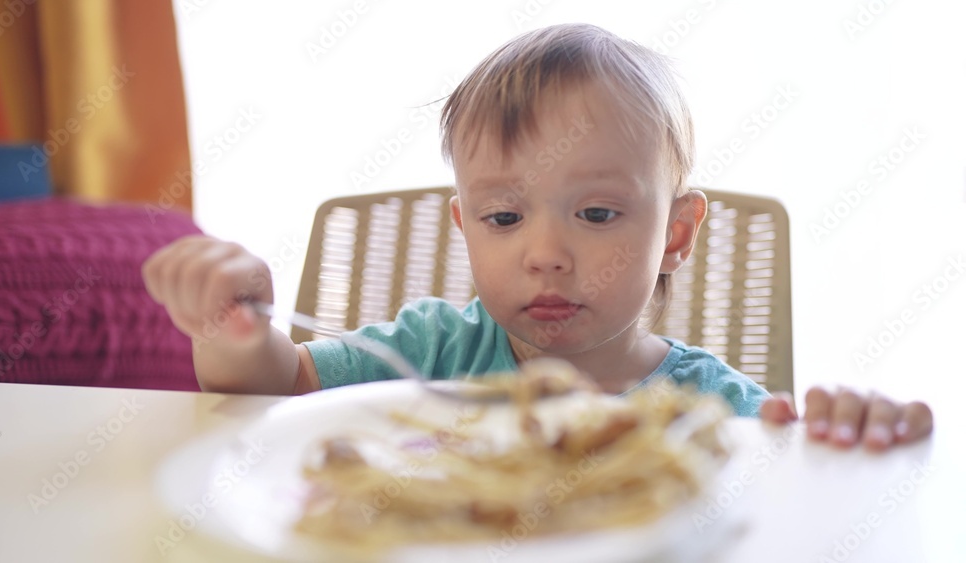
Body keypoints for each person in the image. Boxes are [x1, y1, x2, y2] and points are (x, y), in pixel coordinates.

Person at [142, 23, 931, 451]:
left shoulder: (712, 408)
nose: (544, 253)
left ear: (676, 234)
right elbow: (273, 391)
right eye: (504, 217)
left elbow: (799, 489)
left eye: (595, 214)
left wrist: (854, 434)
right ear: (466, 227)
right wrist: (234, 331)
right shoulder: (429, 353)